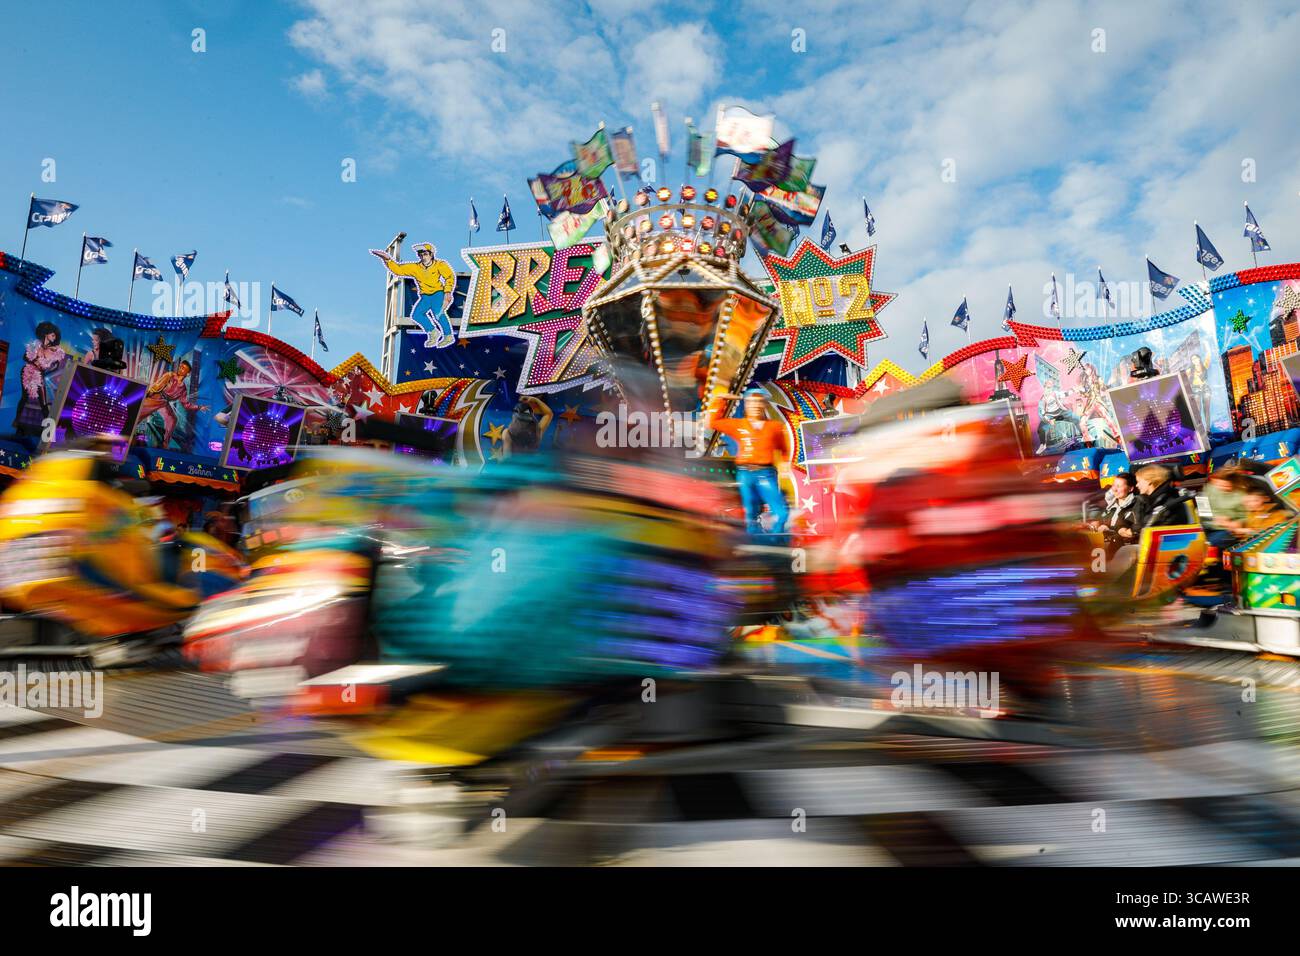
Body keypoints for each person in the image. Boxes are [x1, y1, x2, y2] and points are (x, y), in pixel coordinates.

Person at [708, 389, 791, 537]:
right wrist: (720, 399)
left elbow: (784, 449)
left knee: (781, 512)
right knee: (751, 513)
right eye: (751, 402)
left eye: (759, 402)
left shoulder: (775, 427)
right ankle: (754, 539)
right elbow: (713, 422)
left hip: (766, 473)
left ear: (764, 404)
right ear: (746, 405)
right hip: (745, 473)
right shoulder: (739, 425)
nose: (755, 405)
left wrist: (785, 463)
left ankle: (775, 538)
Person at [370, 242, 457, 348]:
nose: (423, 257)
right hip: (425, 296)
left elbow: (449, 277)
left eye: (425, 254)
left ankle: (448, 335)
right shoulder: (416, 267)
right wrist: (387, 259)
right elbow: (398, 270)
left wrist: (447, 292)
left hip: (438, 293)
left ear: (431, 254)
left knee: (438, 314)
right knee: (416, 315)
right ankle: (433, 332)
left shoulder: (440, 264)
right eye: (420, 255)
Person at [14, 321, 68, 437]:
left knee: (43, 402)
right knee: (24, 397)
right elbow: (25, 357)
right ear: (46, 334)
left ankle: (48, 431)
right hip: (27, 371)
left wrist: (44, 371)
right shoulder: (36, 344)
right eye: (52, 335)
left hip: (39, 375)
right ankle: (17, 423)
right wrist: (35, 362)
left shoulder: (55, 350)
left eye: (55, 336)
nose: (54, 337)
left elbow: (56, 365)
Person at [139, 359, 208, 449]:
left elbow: (186, 404)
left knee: (173, 419)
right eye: (180, 366)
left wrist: (199, 407)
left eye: (183, 368)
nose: (180, 368)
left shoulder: (183, 388)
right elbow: (157, 385)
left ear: (188, 374)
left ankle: (165, 443)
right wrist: (147, 394)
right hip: (156, 398)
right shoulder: (170, 375)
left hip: (164, 403)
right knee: (139, 414)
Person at [1090, 471, 1144, 554]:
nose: (1114, 489)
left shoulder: (1137, 505)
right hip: (1105, 547)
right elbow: (1099, 521)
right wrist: (1095, 525)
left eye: (1118, 486)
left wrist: (1109, 530)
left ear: (1131, 488)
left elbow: (1132, 531)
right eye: (1114, 485)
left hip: (1125, 550)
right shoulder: (1111, 505)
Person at [1202, 466, 1249, 545]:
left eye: (1227, 486)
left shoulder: (1240, 493)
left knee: (1220, 539)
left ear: (1234, 484)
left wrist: (1238, 523)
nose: (1222, 488)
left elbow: (1243, 517)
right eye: (1220, 485)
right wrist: (1214, 518)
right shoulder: (1208, 488)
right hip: (1205, 527)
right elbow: (1201, 510)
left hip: (1225, 531)